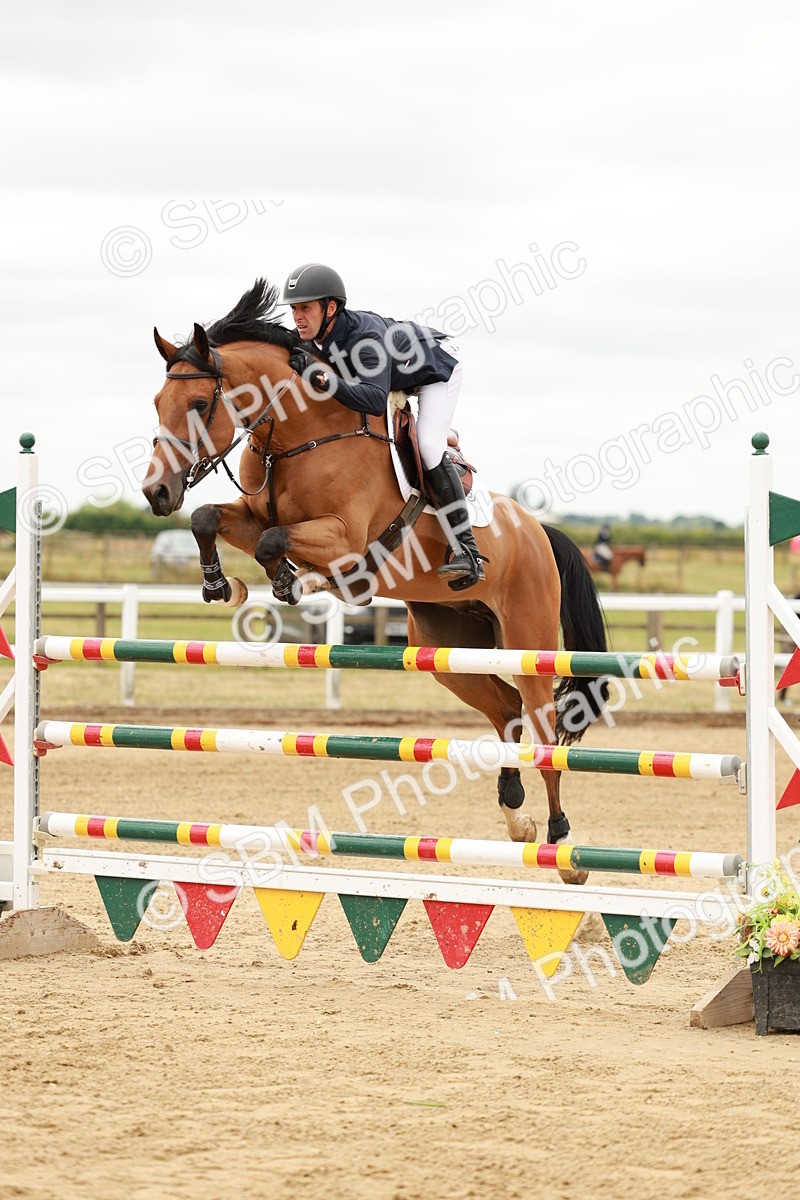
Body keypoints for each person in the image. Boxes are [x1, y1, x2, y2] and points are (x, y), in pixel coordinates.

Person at [281, 262, 485, 591]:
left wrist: (323, 379)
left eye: (305, 308)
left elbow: (375, 400)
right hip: (399, 374)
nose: (298, 317)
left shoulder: (366, 337)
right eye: (294, 310)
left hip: (436, 369)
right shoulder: (314, 336)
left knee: (431, 446)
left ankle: (468, 551)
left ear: (330, 307)